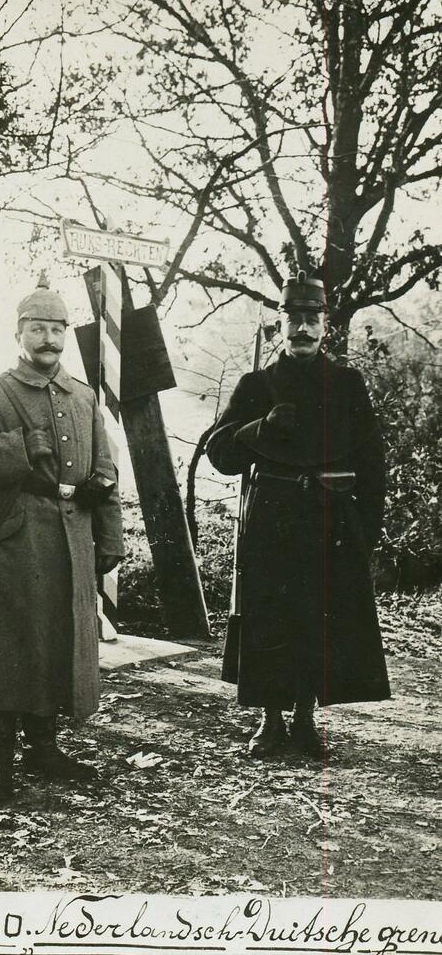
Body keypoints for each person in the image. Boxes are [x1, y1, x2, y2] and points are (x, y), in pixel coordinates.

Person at [0, 275, 124, 799]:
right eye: (37, 328)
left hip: (72, 536)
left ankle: (43, 747)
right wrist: (22, 446)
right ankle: (0, 759)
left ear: (66, 334)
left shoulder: (83, 396)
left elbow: (107, 470)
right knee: (8, 644)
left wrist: (109, 537)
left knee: (56, 641)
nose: (48, 339)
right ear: (19, 333)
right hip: (13, 538)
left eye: (56, 329)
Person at [206, 271, 390, 758]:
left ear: (325, 325)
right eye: (294, 320)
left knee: (316, 617)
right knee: (269, 618)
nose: (302, 330)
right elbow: (219, 454)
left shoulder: (347, 384)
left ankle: (306, 718)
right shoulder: (256, 384)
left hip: (328, 522)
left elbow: (373, 463)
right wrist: (258, 428)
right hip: (270, 519)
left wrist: (363, 530)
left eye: (312, 319)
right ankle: (270, 720)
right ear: (279, 325)